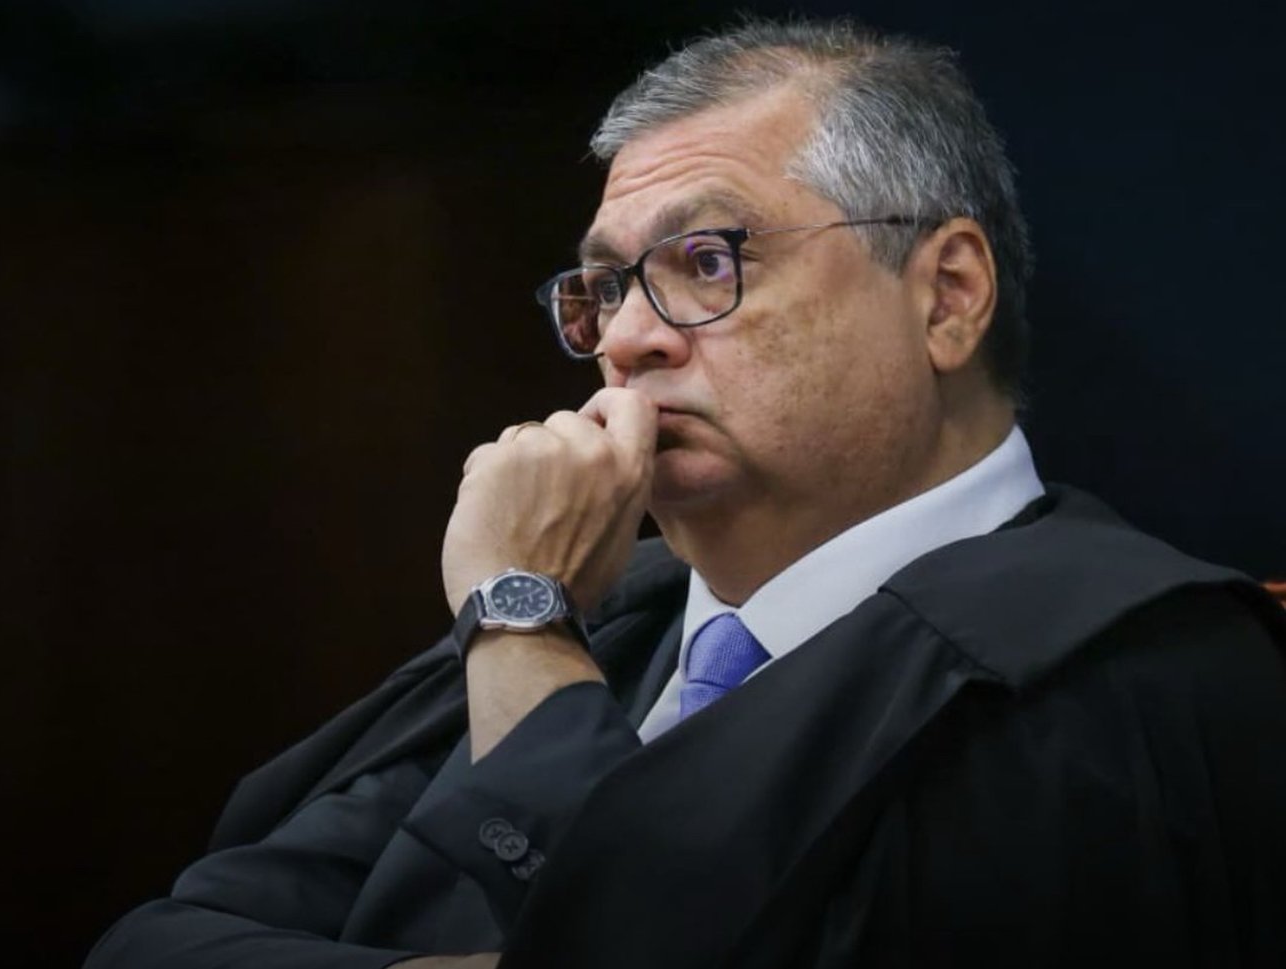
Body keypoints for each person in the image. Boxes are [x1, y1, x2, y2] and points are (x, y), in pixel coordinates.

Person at [86, 17, 1286, 969]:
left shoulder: (1127, 674)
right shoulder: (615, 619)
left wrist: (520, 622)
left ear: (947, 295)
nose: (626, 342)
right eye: (607, 288)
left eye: (706, 262)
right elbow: (157, 941)